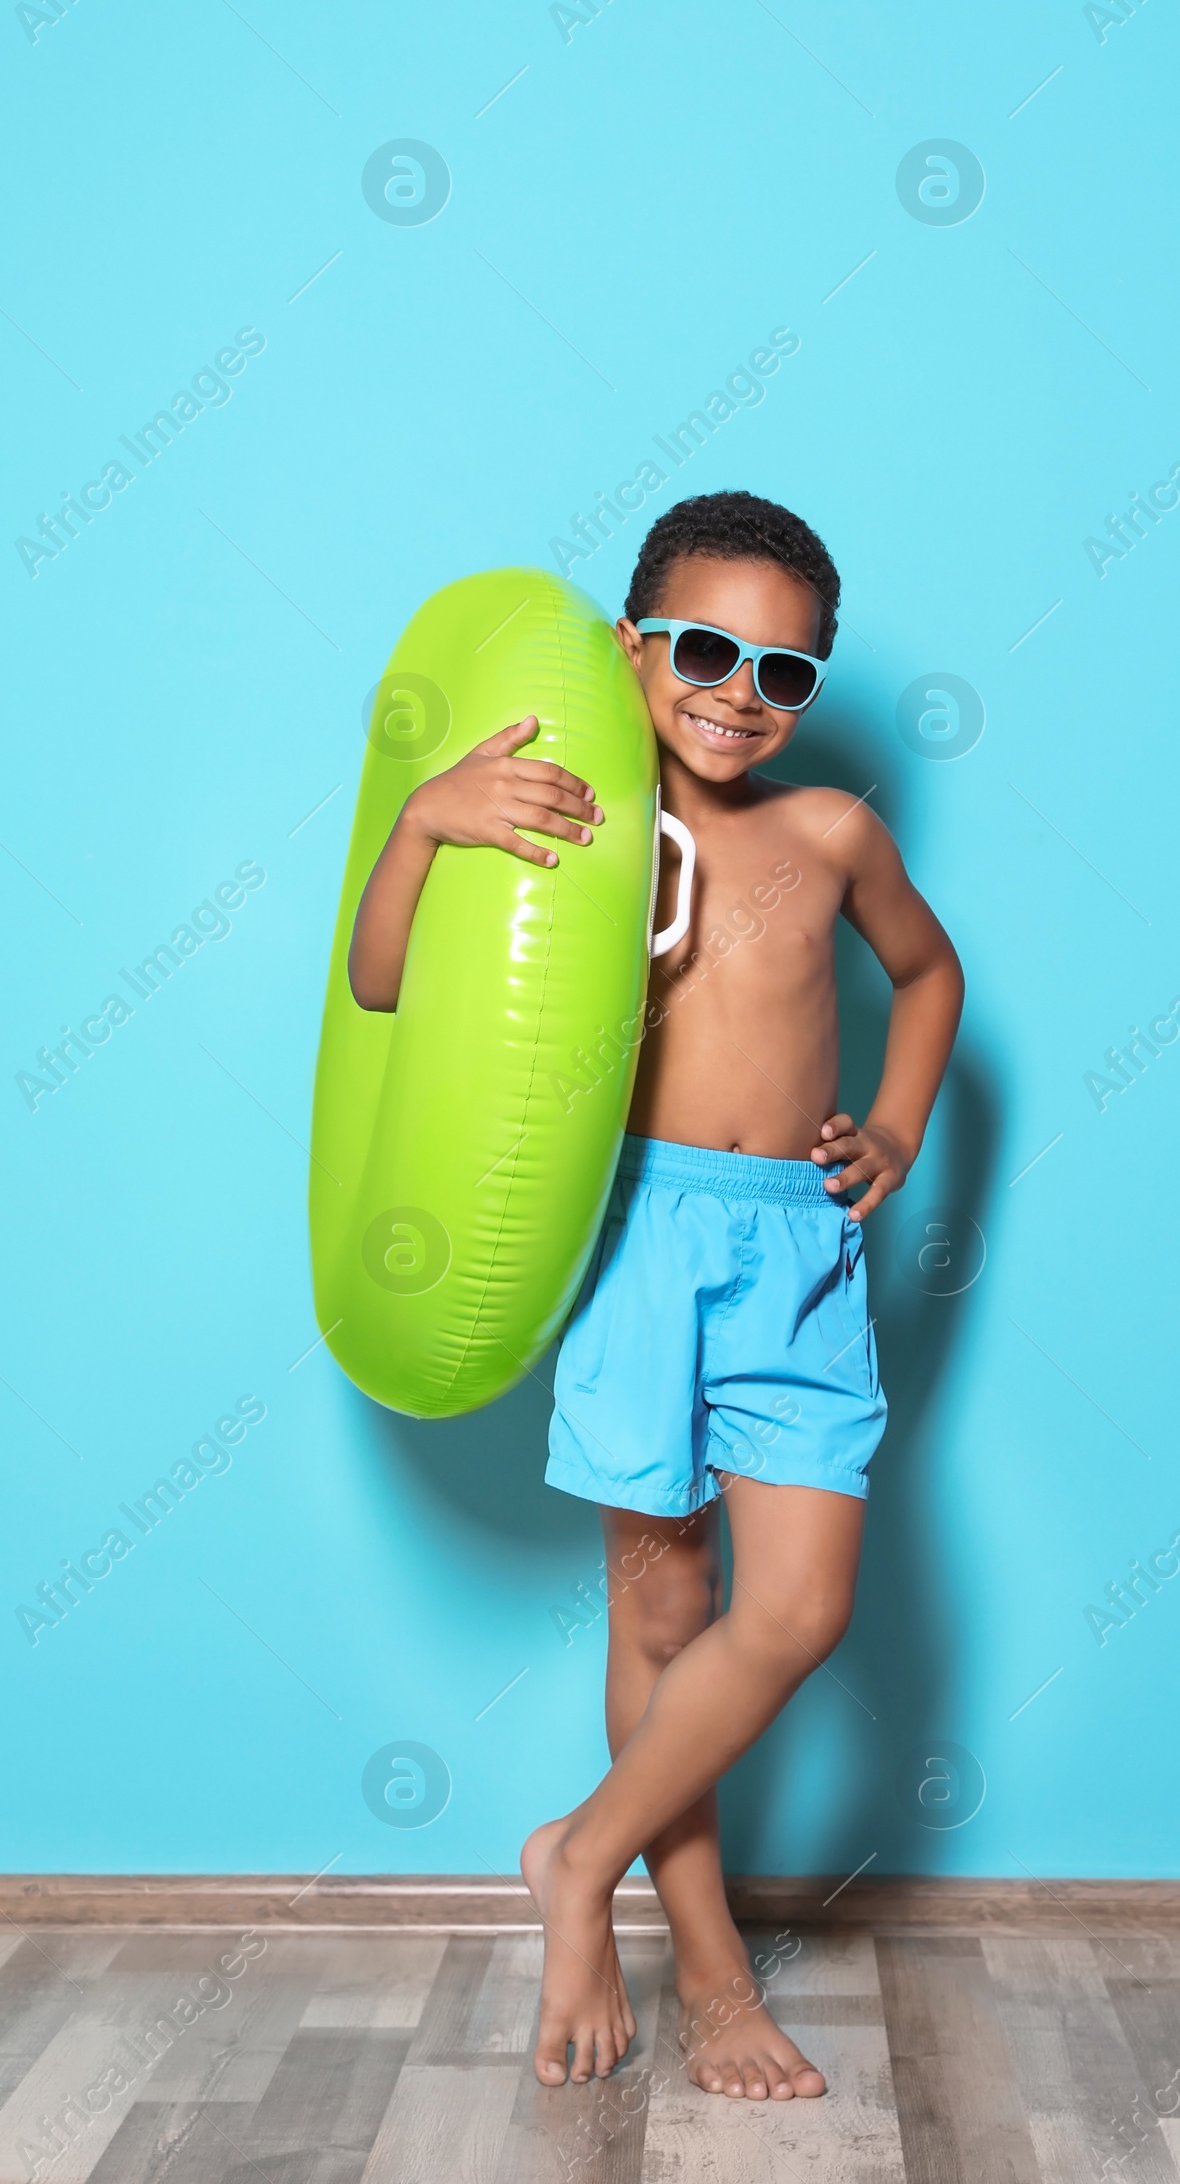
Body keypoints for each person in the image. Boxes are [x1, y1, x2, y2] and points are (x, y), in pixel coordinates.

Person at [348, 491, 963, 2102]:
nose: (735, 692)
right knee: (666, 1611)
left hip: (797, 1252)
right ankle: (704, 1971)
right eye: (702, 649)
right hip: (634, 1247)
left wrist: (898, 1119)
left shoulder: (829, 835)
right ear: (633, 650)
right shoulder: (572, 833)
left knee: (800, 1611)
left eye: (782, 671)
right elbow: (386, 988)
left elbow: (931, 972)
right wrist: (429, 823)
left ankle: (580, 1850)